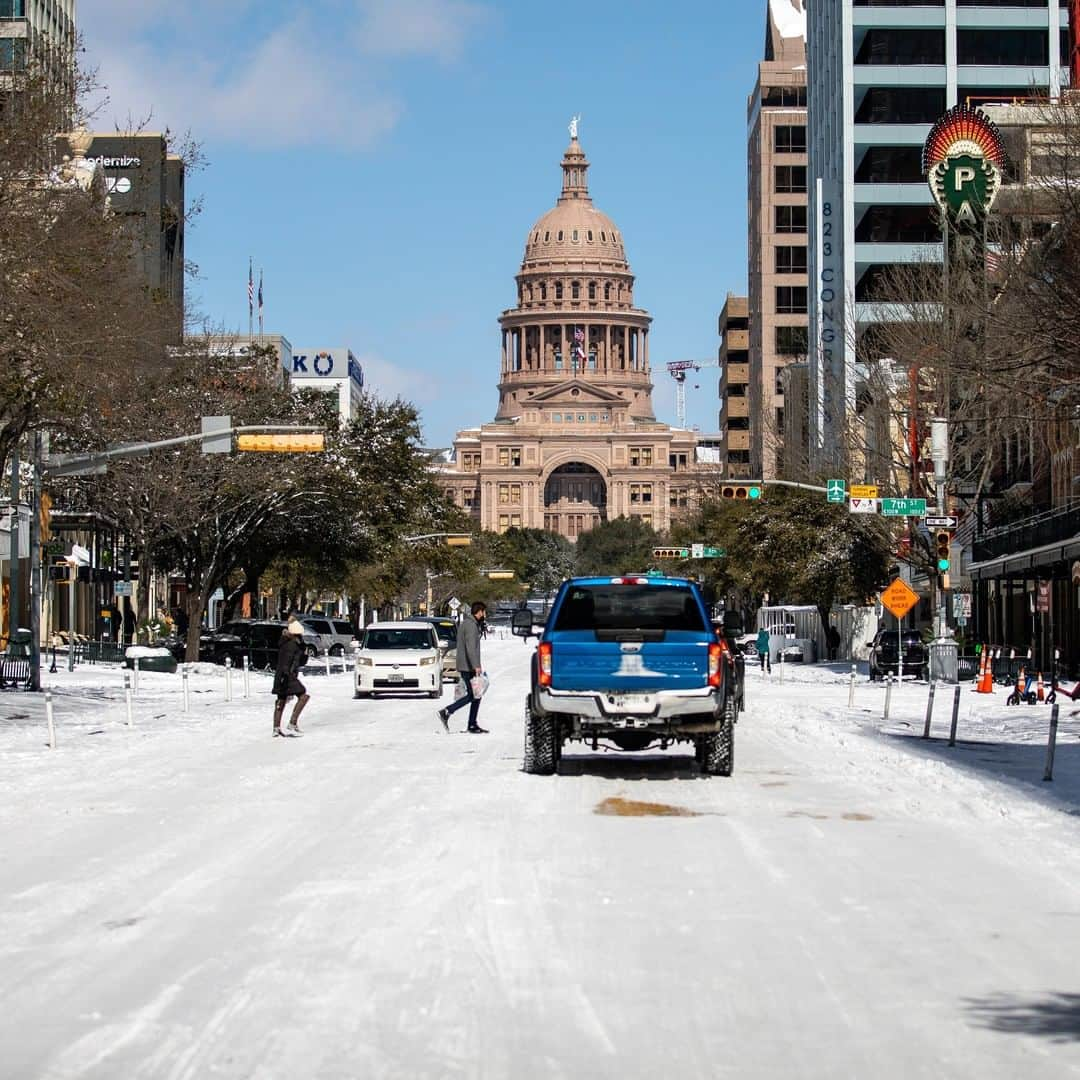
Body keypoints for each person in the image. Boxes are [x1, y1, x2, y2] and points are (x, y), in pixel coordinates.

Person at [437, 601, 488, 734]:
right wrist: (476, 666)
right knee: (474, 695)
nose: (485, 614)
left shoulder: (467, 623)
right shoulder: (471, 626)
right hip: (468, 666)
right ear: (480, 612)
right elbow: (471, 648)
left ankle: (472, 723)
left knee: (476, 695)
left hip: (466, 664)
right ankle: (448, 711)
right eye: (484, 612)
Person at [272, 618, 310, 737]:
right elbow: (287, 662)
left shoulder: (288, 643)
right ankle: (292, 723)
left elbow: (300, 661)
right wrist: (287, 675)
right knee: (303, 695)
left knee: (281, 699)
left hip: (282, 675)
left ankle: (276, 728)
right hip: (288, 675)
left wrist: (304, 653)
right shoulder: (291, 645)